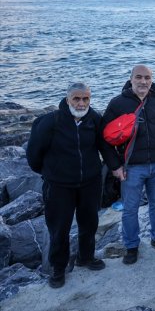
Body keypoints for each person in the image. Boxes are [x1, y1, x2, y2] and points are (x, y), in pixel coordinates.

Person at [27, 83, 106, 288]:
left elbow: (104, 146)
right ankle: (58, 268)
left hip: (89, 183)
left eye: (85, 99)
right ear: (67, 98)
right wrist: (50, 173)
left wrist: (115, 167)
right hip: (59, 186)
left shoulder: (94, 119)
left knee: (89, 223)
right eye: (77, 99)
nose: (81, 103)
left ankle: (85, 257)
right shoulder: (50, 122)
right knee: (59, 228)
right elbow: (34, 153)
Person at [101, 65, 155, 265]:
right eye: (139, 77)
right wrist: (115, 166)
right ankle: (131, 246)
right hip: (132, 167)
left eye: (147, 78)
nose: (143, 81)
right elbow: (103, 138)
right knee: (130, 208)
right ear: (131, 79)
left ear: (152, 79)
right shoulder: (118, 103)